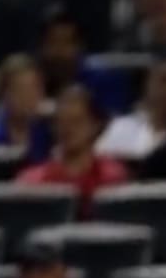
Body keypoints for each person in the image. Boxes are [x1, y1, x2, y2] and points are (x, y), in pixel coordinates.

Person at [14, 84, 122, 215]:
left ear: (95, 125)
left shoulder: (114, 177)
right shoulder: (32, 182)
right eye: (61, 122)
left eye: (76, 121)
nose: (68, 129)